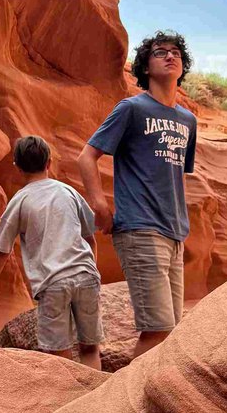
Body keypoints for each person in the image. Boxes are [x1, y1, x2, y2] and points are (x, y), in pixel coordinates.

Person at [77, 30, 197, 360]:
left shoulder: (188, 121)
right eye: (160, 53)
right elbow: (86, 156)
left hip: (174, 233)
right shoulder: (132, 109)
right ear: (145, 67)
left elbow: (174, 175)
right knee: (156, 330)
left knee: (170, 330)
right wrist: (99, 203)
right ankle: (124, 406)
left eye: (176, 53)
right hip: (140, 228)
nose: (170, 56)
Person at [0, 135, 103, 369]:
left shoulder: (20, 201)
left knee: (58, 354)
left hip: (52, 282)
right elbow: (90, 238)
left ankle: (65, 400)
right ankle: (94, 398)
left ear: (16, 166)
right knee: (90, 348)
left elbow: (2, 249)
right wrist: (92, 269)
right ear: (49, 163)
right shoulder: (69, 192)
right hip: (86, 276)